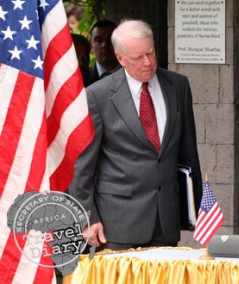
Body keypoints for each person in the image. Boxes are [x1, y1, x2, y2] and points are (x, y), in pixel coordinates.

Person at [68, 19, 202, 251]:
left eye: (150, 53)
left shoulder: (178, 86)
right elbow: (82, 166)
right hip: (117, 223)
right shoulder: (97, 95)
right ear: (120, 58)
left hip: (166, 219)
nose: (148, 62)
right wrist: (87, 217)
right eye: (138, 57)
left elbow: (189, 154)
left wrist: (195, 208)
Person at [88, 20, 120, 84]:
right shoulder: (82, 79)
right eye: (99, 41)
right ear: (91, 45)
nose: (104, 45)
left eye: (110, 40)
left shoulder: (134, 76)